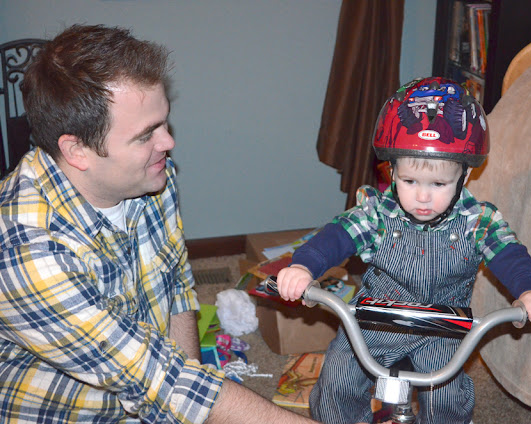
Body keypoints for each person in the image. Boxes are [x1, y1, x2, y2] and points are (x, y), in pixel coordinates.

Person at [0, 24, 319, 424]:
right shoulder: (25, 253)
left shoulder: (149, 176)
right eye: (145, 135)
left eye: (164, 122)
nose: (168, 143)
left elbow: (175, 286)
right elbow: (164, 381)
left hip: (147, 384)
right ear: (77, 150)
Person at [276, 77, 531, 424]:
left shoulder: (477, 220)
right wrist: (303, 267)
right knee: (338, 379)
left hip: (442, 327)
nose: (422, 197)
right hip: (374, 322)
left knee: (446, 398)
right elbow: (337, 236)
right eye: (409, 181)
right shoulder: (377, 213)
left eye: (438, 184)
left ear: (465, 175)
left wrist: (529, 289)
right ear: (391, 170)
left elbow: (509, 254)